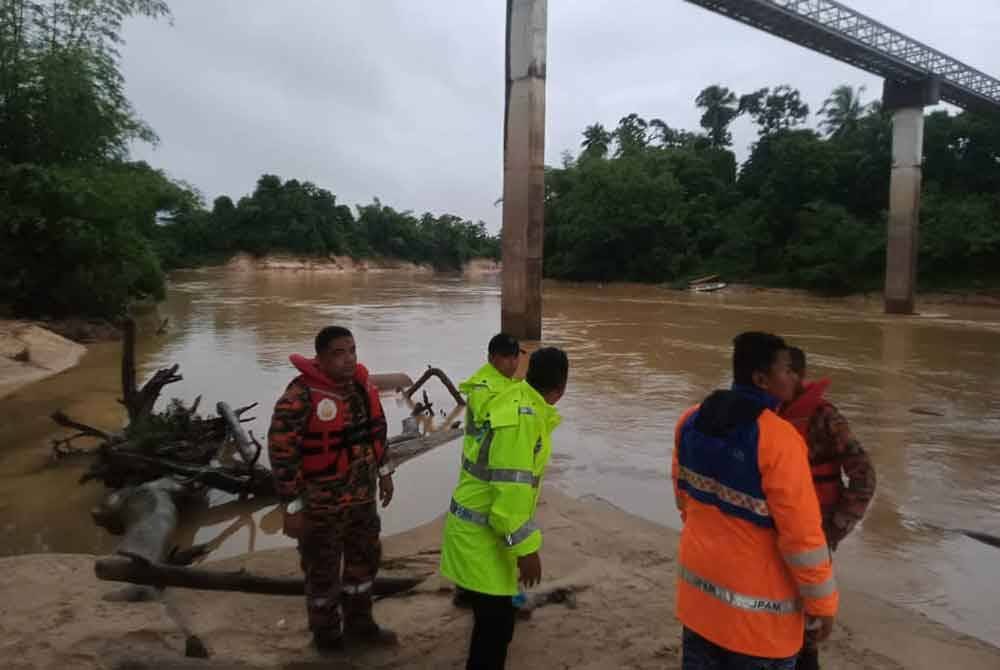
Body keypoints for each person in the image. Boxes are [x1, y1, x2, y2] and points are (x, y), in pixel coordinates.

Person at [671, 332, 838, 670]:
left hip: (698, 601)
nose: (795, 378)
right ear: (762, 379)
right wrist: (823, 605)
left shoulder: (690, 420)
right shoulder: (780, 440)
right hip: (759, 624)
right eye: (787, 370)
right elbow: (802, 539)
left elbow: (684, 500)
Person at [267, 326, 398, 653]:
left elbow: (377, 434)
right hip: (320, 506)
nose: (348, 359)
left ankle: (360, 624)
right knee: (322, 573)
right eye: (339, 353)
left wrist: (385, 474)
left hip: (361, 500)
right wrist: (292, 508)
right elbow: (282, 455)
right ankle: (326, 637)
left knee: (364, 563)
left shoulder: (361, 388)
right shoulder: (299, 397)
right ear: (321, 358)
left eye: (352, 350)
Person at [440, 347, 569, 670]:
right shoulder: (522, 420)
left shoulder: (517, 397)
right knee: (495, 630)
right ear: (560, 389)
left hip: (482, 529)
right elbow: (507, 500)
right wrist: (526, 551)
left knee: (495, 619)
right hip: (480, 534)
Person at [781, 346, 876, 670]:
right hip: (774, 527)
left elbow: (864, 475)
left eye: (782, 372)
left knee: (809, 616)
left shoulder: (826, 418)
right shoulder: (767, 413)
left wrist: (837, 526)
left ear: (797, 376)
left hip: (815, 529)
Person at [453, 332, 525, 608]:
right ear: (492, 358)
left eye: (516, 356)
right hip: (482, 474)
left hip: (483, 471)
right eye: (507, 357)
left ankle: (470, 588)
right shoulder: (484, 387)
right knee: (489, 534)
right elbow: (493, 417)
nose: (513, 363)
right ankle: (487, 591)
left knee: (482, 535)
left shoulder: (504, 383)